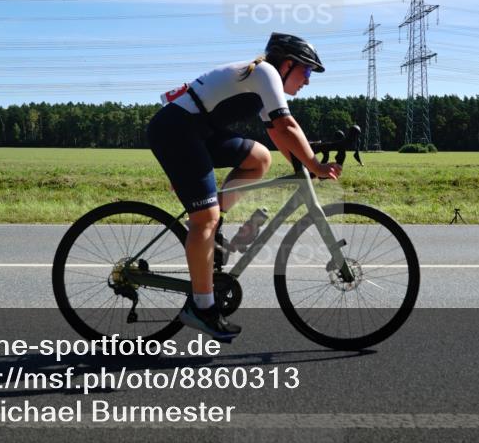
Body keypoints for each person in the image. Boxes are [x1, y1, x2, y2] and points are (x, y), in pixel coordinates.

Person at [146, 33, 343, 342]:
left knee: (259, 158)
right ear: (288, 64)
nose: (307, 80)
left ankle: (214, 233)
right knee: (204, 219)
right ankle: (202, 306)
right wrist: (316, 166)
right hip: (177, 131)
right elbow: (287, 126)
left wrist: (302, 166)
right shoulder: (265, 73)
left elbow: (278, 136)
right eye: (306, 71)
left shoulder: (263, 80)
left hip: (197, 131)